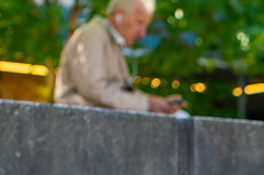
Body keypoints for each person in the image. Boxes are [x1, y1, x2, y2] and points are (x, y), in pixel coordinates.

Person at [54, 0, 183, 114]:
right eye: (139, 22)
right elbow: (95, 89)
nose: (142, 33)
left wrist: (157, 104)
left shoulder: (114, 42)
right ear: (118, 15)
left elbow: (120, 91)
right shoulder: (92, 35)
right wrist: (147, 104)